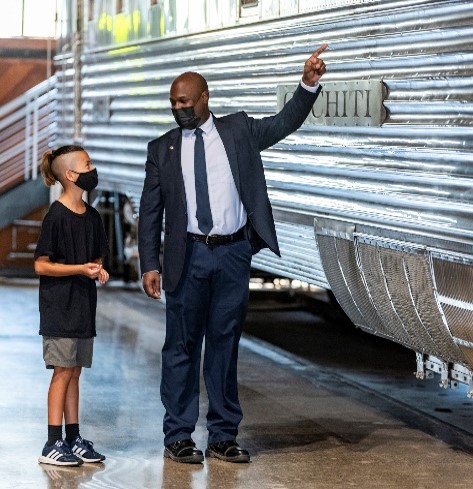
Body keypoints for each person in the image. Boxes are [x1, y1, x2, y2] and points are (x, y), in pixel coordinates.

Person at [138, 44, 328, 464]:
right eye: (173, 103)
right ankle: (179, 436)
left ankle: (223, 435)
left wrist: (307, 85)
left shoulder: (239, 131)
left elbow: (284, 123)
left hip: (231, 256)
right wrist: (149, 263)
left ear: (205, 99)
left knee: (224, 346)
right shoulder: (162, 149)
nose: (178, 109)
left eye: (184, 102)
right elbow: (150, 212)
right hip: (185, 257)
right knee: (182, 347)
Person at [34, 145, 109, 466]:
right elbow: (41, 265)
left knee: (75, 372)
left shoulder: (92, 217)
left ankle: (73, 437)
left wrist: (97, 267)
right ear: (70, 175)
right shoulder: (55, 217)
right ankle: (52, 443)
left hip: (82, 307)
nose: (93, 168)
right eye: (87, 164)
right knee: (62, 373)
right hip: (58, 309)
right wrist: (79, 269)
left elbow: (96, 257)